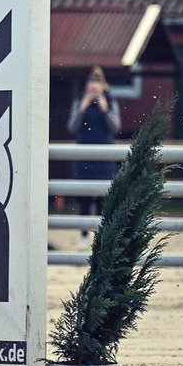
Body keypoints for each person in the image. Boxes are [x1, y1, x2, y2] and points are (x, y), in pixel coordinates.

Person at [66, 66, 122, 240]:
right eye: (91, 84)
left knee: (103, 198)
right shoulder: (79, 101)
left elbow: (116, 127)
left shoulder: (111, 102)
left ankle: (100, 235)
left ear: (103, 86)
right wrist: (82, 108)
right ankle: (83, 236)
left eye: (97, 84)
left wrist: (105, 110)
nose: (93, 88)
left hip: (104, 157)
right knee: (83, 198)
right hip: (84, 156)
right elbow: (72, 128)